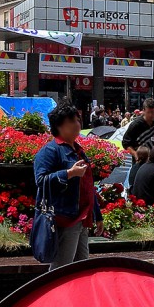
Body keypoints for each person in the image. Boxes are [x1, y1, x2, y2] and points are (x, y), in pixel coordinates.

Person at [33, 103, 103, 269]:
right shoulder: (50, 151)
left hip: (82, 219)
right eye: (71, 121)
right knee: (61, 271)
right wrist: (69, 173)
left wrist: (97, 215)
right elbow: (41, 181)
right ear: (59, 126)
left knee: (81, 270)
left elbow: (87, 186)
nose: (77, 124)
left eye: (77, 120)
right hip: (65, 219)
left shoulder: (78, 150)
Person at [122, 99, 154, 163]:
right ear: (143, 111)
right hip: (140, 161)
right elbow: (125, 143)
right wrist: (135, 154)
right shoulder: (135, 125)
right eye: (148, 112)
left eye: (152, 112)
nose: (150, 115)